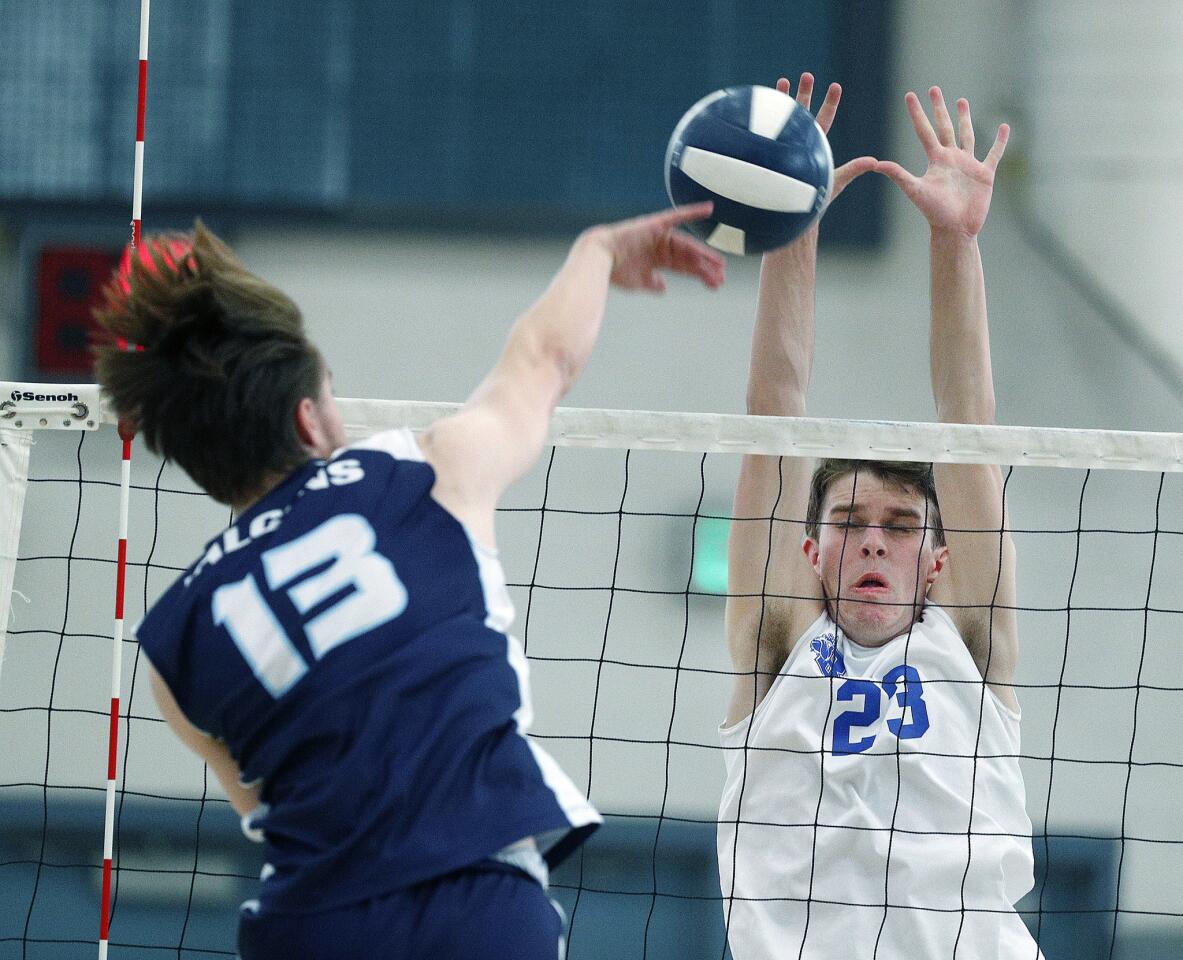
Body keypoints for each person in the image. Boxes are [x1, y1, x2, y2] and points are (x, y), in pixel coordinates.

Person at [93, 205, 725, 959]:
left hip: (310, 928)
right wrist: (594, 253)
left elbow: (270, 806)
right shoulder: (422, 471)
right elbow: (542, 359)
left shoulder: (173, 641)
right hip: (473, 904)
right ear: (307, 421)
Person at [717, 75, 1042, 958]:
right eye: (851, 520)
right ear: (811, 551)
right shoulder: (773, 641)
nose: (871, 537)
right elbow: (774, 408)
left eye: (900, 525)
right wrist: (795, 224)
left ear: (935, 562)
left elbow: (966, 417)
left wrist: (955, 243)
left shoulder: (964, 646)